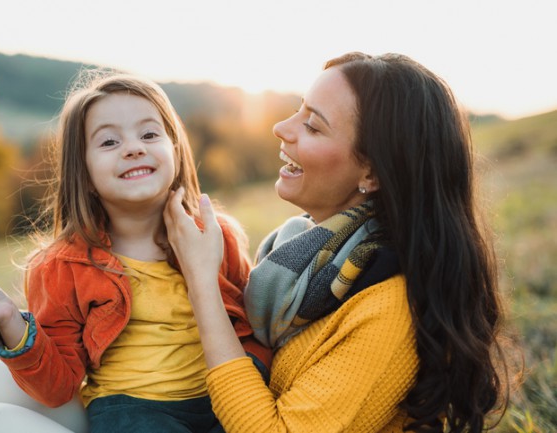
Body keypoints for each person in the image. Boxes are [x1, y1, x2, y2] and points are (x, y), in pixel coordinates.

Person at [163, 52, 507, 432]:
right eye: (298, 111)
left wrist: (202, 284)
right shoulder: (315, 256)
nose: (281, 127)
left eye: (312, 126)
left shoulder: (387, 309)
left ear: (372, 172)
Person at [0, 72, 270, 433]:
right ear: (85, 173)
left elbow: (252, 333)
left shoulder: (216, 236)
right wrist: (9, 319)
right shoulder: (62, 266)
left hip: (224, 400)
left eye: (149, 134)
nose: (133, 148)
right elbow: (57, 387)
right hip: (133, 413)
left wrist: (255, 389)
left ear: (174, 148)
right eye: (109, 142)